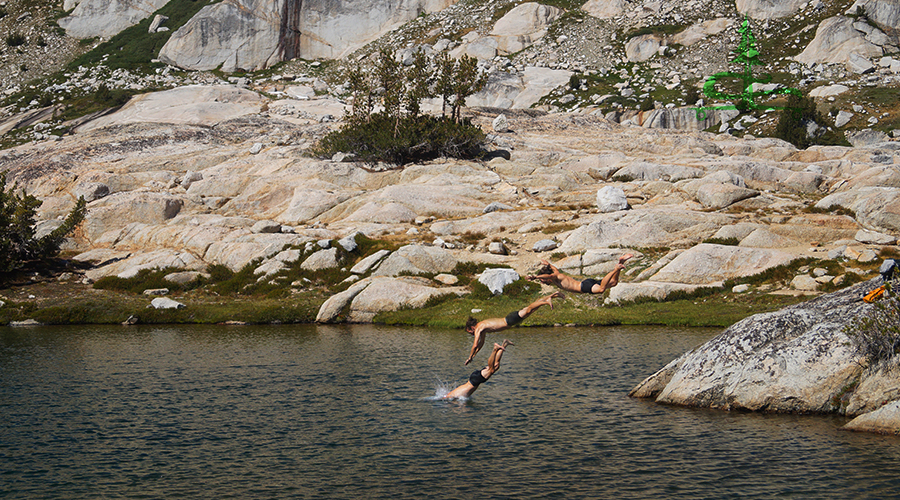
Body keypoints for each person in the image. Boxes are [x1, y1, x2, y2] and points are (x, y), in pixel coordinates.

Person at [463, 291, 563, 365]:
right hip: (510, 320)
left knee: (528, 310)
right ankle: (551, 296)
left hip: (509, 320)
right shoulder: (482, 328)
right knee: (530, 309)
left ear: (472, 327)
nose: (472, 334)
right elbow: (481, 343)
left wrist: (469, 356)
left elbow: (475, 344)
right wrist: (474, 355)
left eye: (470, 332)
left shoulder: (478, 328)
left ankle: (546, 302)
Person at [527, 253, 633, 294]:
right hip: (587, 283)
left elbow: (549, 275)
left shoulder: (555, 277)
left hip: (584, 286)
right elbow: (553, 269)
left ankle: (615, 269)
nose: (543, 282)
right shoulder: (556, 273)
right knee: (614, 282)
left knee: (601, 289)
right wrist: (548, 264)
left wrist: (535, 277)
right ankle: (621, 263)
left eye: (543, 281)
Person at [445, 340, 513, 399]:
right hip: (473, 379)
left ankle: (495, 349)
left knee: (491, 369)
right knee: (496, 366)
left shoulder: (451, 396)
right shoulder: (451, 394)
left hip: (474, 381)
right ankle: (504, 344)